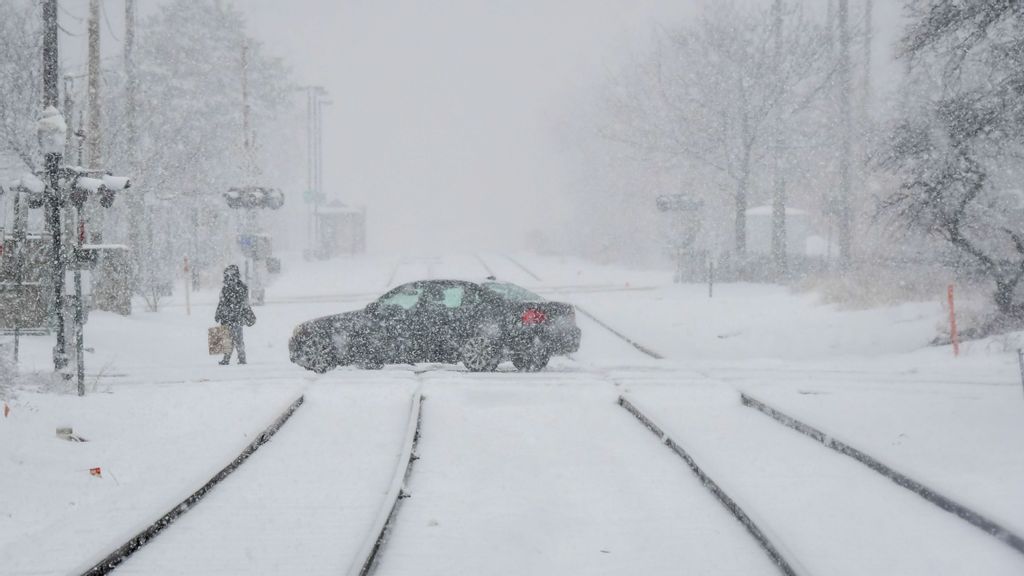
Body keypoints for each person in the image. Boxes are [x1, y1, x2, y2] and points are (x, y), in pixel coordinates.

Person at [215, 265, 254, 365]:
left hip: (235, 316)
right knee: (231, 338)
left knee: (236, 339)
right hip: (230, 316)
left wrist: (219, 313)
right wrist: (218, 313)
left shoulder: (239, 287)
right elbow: (222, 302)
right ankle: (232, 358)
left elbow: (243, 303)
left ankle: (239, 358)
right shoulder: (231, 288)